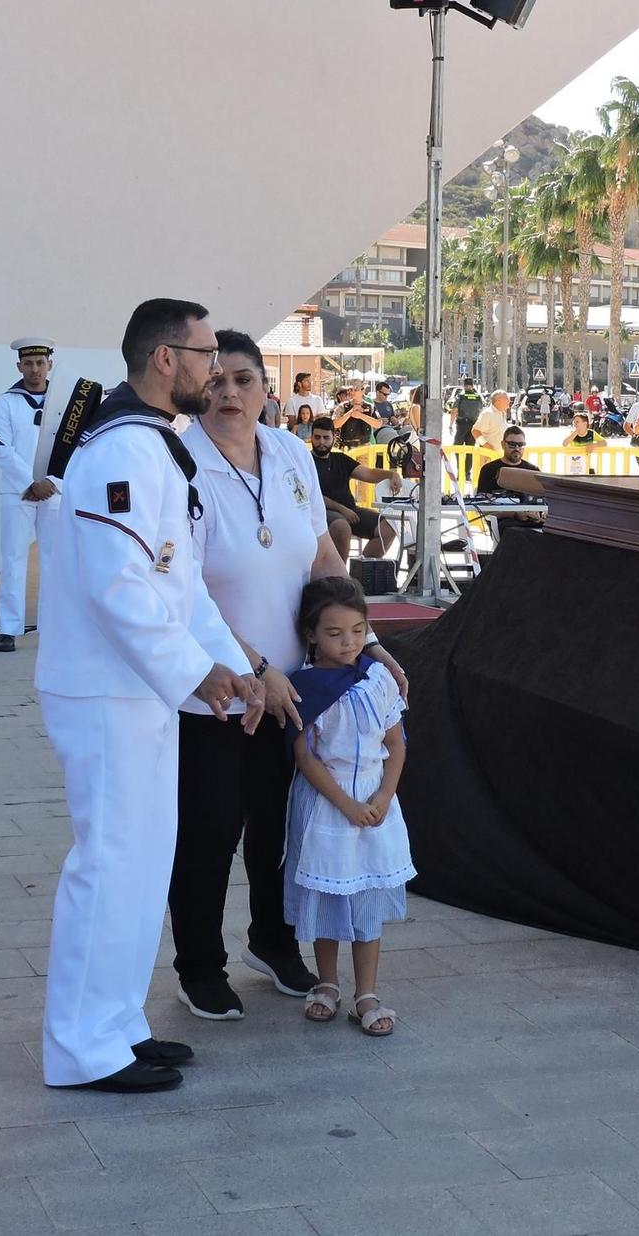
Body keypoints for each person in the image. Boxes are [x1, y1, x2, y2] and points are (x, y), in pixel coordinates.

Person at [34, 297, 262, 1094]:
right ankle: (82, 1048)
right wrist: (196, 672)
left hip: (141, 691)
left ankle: (118, 1026)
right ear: (166, 359)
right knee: (110, 863)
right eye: (204, 353)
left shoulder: (158, 447)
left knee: (140, 862)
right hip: (104, 689)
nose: (214, 367)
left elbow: (183, 584)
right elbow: (119, 588)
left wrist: (234, 666)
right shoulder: (120, 451)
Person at [168, 331, 409, 1022]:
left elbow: (323, 558)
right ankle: (199, 964)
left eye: (243, 379)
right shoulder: (179, 464)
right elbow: (186, 594)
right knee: (213, 828)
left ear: (267, 388)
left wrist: (367, 643)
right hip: (215, 687)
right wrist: (256, 668)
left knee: (282, 826)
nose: (229, 394)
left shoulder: (292, 454)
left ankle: (272, 942)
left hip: (299, 688)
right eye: (215, 381)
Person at [285, 577, 413, 1039]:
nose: (349, 642)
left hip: (375, 804)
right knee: (329, 893)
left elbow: (396, 744)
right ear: (311, 634)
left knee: (365, 899)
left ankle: (367, 992)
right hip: (327, 805)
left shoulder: (377, 679)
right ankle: (326, 982)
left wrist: (381, 798)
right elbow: (305, 755)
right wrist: (344, 804)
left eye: (358, 631)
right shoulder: (303, 686)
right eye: (336, 633)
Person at [0, 338, 61, 653]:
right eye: (28, 363)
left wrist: (51, 481)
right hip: (18, 493)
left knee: (55, 561)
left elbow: (72, 447)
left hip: (55, 491)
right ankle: (8, 628)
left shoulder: (63, 402)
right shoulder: (6, 402)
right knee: (13, 558)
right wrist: (29, 482)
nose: (34, 369)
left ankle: (54, 626)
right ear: (19, 366)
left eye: (40, 363)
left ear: (49, 365)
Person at [309, 416, 399, 559]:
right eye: (317, 437)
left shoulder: (341, 459)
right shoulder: (306, 461)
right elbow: (311, 495)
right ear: (311, 437)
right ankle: (341, 577)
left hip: (350, 511)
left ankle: (362, 573)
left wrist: (391, 475)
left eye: (326, 438)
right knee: (341, 527)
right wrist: (342, 509)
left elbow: (368, 474)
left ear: (334, 436)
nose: (321, 442)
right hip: (321, 511)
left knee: (389, 527)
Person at [475, 426, 541, 497]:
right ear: (503, 444)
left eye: (521, 445)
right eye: (512, 444)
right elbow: (481, 498)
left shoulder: (533, 471)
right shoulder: (488, 469)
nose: (517, 448)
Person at [560, 408, 605, 474]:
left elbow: (604, 442)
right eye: (574, 422)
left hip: (586, 465)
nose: (575, 424)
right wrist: (575, 432)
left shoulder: (591, 433)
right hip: (574, 467)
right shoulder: (573, 434)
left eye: (577, 422)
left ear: (585, 423)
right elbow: (564, 443)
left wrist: (594, 445)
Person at [451, 377, 484, 446]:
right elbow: (481, 411)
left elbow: (454, 411)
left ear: (464, 386)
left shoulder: (461, 396)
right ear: (472, 386)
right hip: (474, 423)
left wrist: (451, 424)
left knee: (457, 445)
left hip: (462, 423)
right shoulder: (478, 397)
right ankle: (469, 457)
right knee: (470, 446)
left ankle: (459, 457)